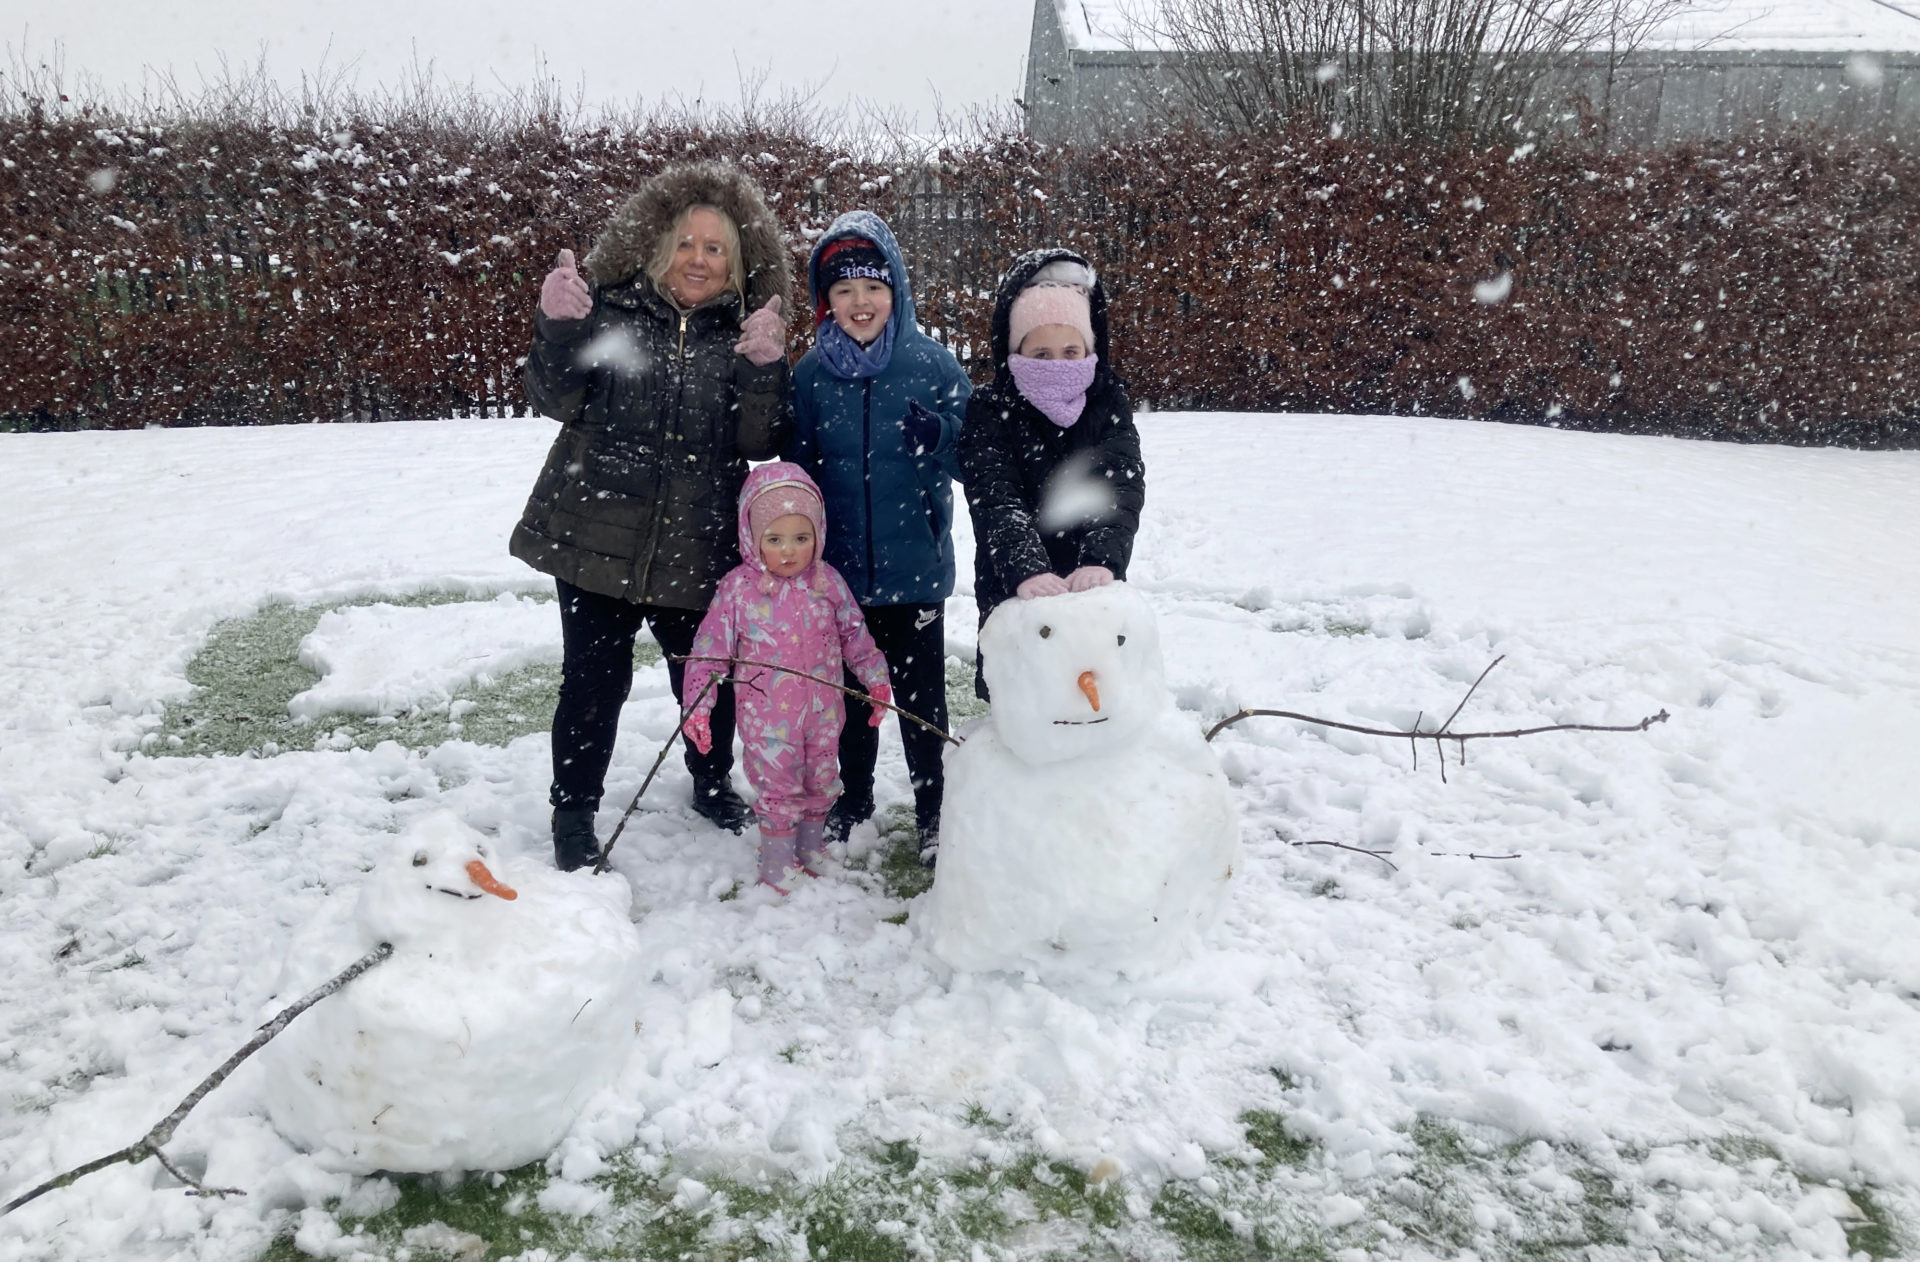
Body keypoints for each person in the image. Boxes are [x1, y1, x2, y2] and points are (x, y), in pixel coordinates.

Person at [512, 161, 794, 871]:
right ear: (660, 246)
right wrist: (557, 327)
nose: (698, 260)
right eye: (687, 243)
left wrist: (764, 368)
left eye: (715, 249)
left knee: (705, 680)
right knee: (591, 683)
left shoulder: (741, 335)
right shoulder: (609, 312)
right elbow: (554, 396)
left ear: (737, 264)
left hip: (697, 547)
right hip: (595, 532)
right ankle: (573, 813)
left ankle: (709, 779)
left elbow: (760, 441)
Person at [785, 212, 970, 865]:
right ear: (825, 302)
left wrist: (940, 441)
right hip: (837, 576)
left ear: (896, 291)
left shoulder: (932, 366)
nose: (859, 303)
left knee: (922, 703)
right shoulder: (810, 378)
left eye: (872, 288)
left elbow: (971, 457)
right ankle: (853, 800)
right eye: (843, 291)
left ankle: (933, 813)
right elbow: (798, 471)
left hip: (915, 568)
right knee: (848, 698)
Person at [680, 463, 892, 893]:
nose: (789, 551)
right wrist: (697, 709)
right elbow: (709, 652)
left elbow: (856, 636)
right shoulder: (738, 590)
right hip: (767, 718)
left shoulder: (828, 583)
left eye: (801, 537)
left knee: (820, 776)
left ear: (818, 534)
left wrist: (875, 680)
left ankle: (810, 849)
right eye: (774, 540)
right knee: (778, 785)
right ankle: (777, 861)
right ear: (753, 539)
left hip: (823, 711)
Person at [958, 248, 1145, 699]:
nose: (1057, 364)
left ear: (1089, 348)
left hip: (1090, 585)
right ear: (1014, 349)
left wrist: (1100, 558)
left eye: (1070, 351)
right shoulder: (990, 410)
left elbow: (1120, 486)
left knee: (1089, 691)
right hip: (1013, 583)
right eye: (1040, 352)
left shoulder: (1106, 403)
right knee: (1023, 696)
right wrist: (1026, 569)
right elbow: (994, 495)